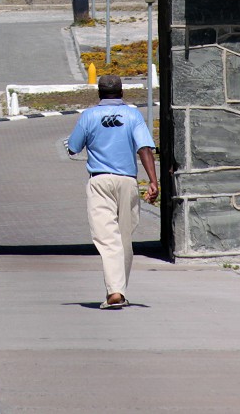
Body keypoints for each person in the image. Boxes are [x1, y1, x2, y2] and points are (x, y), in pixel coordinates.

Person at [66, 73, 159, 309]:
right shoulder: (132, 115)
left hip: (100, 181)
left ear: (99, 93)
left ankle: (115, 291)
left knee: (107, 239)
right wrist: (153, 181)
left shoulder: (89, 116)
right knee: (124, 238)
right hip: (127, 181)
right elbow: (145, 148)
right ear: (121, 93)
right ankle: (118, 290)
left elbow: (74, 148)